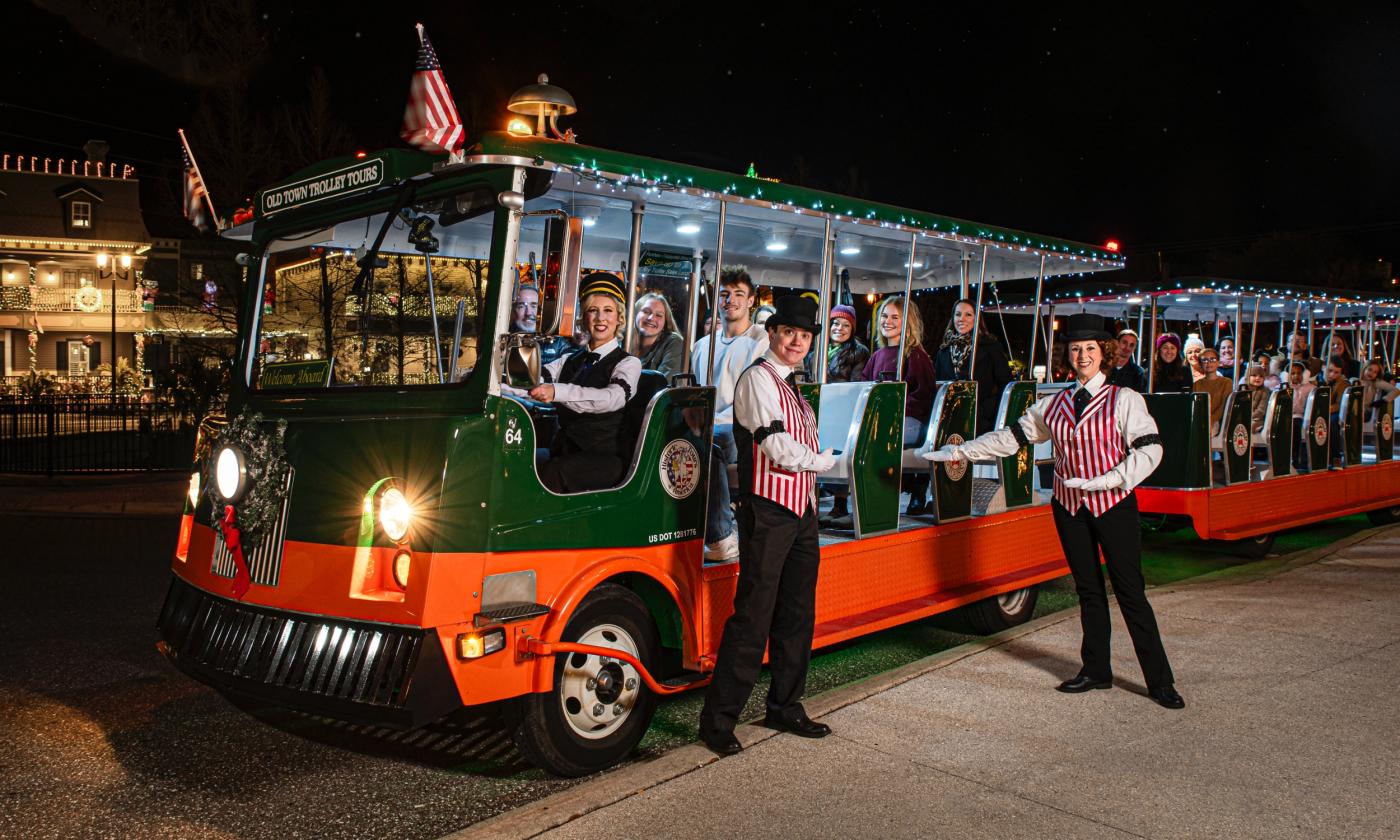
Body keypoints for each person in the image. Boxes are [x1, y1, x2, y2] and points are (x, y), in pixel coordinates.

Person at [925, 313, 1183, 710]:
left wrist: (1114, 478)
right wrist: (960, 452)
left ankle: (1160, 680)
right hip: (1069, 507)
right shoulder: (1054, 404)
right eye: (1076, 349)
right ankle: (1096, 671)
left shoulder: (1124, 400)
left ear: (1105, 354)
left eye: (1091, 349)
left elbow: (1152, 448)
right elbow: (1010, 439)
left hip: (1113, 505)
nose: (1082, 356)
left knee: (1130, 592)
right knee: (1088, 591)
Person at [698, 295, 837, 756]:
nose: (798, 341)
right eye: (790, 332)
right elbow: (776, 447)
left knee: (797, 615)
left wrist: (814, 479)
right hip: (770, 511)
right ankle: (717, 721)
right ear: (773, 333)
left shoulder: (793, 385)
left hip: (802, 514)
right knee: (753, 616)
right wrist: (824, 462)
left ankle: (785, 705)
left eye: (806, 335)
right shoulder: (757, 380)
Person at [504, 273, 641, 493]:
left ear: (619, 318)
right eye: (593, 311)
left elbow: (611, 399)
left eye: (608, 311)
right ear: (584, 318)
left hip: (604, 458)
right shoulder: (571, 359)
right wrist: (500, 385)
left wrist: (556, 392)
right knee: (516, 462)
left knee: (554, 471)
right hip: (566, 450)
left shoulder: (628, 363)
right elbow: (536, 379)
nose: (600, 318)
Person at [691, 267, 769, 561]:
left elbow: (756, 396)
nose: (730, 300)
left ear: (751, 301)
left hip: (744, 429)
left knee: (710, 445)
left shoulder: (760, 340)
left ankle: (721, 536)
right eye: (725, 294)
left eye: (739, 294)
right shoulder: (701, 346)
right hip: (709, 427)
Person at [863, 295, 938, 515]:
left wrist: (892, 412)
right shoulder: (877, 356)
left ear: (908, 322)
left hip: (912, 422)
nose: (887, 321)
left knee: (880, 436)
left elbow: (923, 396)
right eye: (884, 316)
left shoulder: (915, 356)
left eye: (895, 317)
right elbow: (866, 387)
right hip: (881, 419)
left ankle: (894, 494)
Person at [933, 298, 1015, 435]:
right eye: (958, 314)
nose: (962, 319)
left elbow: (1006, 383)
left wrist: (988, 409)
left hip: (980, 419)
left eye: (968, 315)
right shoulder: (944, 351)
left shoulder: (991, 347)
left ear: (977, 318)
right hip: (949, 419)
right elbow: (938, 382)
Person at [631, 292, 685, 376]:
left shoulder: (674, 343)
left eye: (659, 315)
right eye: (646, 312)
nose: (651, 318)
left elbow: (665, 385)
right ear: (634, 315)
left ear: (665, 323)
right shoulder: (622, 340)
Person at [1193, 347, 1234, 432]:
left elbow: (1224, 406)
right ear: (1200, 364)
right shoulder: (1197, 384)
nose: (1208, 363)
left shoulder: (1226, 382)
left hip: (1218, 421)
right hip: (1200, 420)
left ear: (1218, 362)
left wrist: (1211, 420)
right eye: (1205, 360)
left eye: (1212, 359)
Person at [826, 304, 869, 383]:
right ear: (829, 326)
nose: (839, 328)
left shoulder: (859, 352)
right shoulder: (816, 351)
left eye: (846, 325)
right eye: (836, 323)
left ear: (852, 330)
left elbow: (856, 385)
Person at [1289, 361, 1315, 468]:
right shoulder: (1283, 387)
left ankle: (1296, 457)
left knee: (1296, 425)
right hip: (1286, 416)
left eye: (1298, 373)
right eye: (1293, 373)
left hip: (1300, 416)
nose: (1296, 376)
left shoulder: (1309, 388)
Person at [1359, 359, 1398, 426]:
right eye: (1370, 370)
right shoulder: (1355, 380)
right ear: (1364, 368)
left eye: (1375, 372)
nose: (1371, 373)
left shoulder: (1376, 382)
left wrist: (1382, 400)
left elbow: (1396, 391)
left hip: (1365, 412)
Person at [1243, 364, 1269, 434]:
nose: (1258, 378)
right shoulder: (1243, 390)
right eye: (1254, 375)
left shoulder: (1265, 391)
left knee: (1251, 425)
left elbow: (1261, 409)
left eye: (1261, 376)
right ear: (1248, 377)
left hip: (1258, 419)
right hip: (1243, 417)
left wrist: (1251, 416)